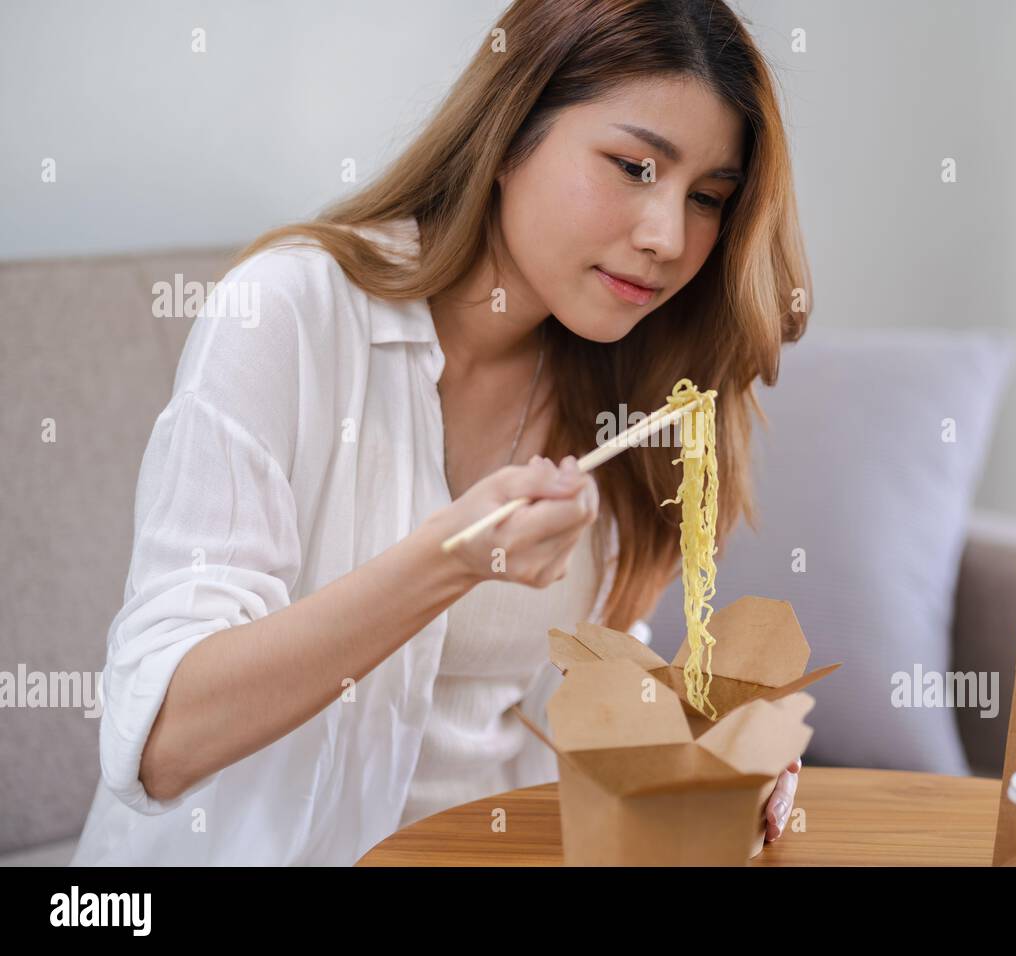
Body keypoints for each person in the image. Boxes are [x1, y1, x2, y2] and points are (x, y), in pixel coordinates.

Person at [71, 0, 812, 865]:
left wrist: (701, 748)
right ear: (508, 136)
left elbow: (563, 688)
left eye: (708, 198)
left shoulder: (630, 380)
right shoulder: (286, 314)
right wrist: (452, 559)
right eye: (635, 166)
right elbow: (160, 743)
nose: (668, 237)